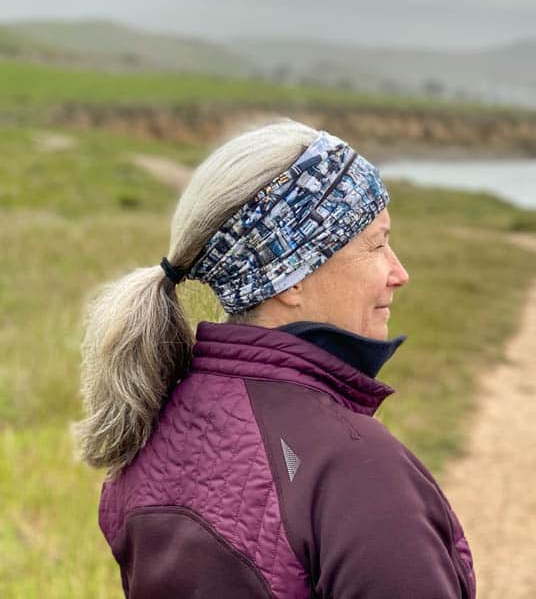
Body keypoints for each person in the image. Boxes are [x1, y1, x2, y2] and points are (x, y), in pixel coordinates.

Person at [75, 119, 476, 598]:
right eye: (376, 244)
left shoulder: (153, 432)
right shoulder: (355, 468)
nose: (399, 272)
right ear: (290, 277)